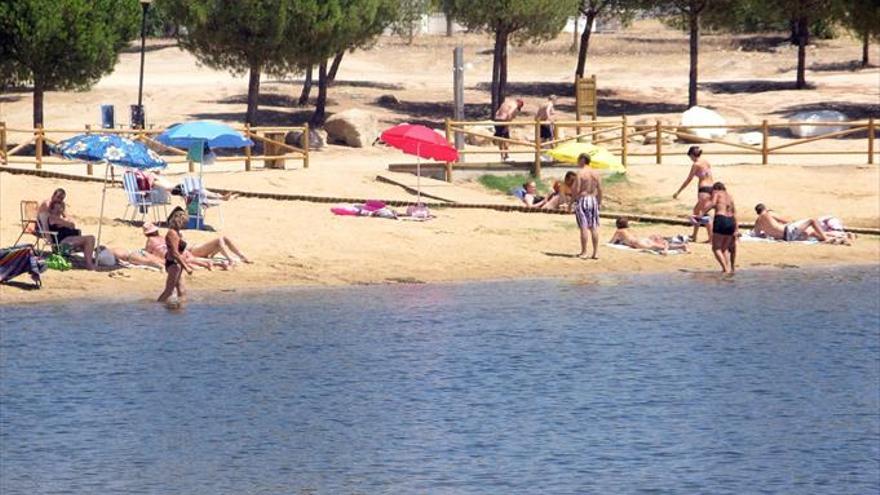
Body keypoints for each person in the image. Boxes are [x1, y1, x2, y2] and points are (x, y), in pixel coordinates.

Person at [40, 188, 96, 270]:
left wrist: (66, 221)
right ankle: (89, 264)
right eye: (58, 198)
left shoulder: (57, 218)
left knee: (89, 239)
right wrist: (66, 222)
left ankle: (88, 262)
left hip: (66, 239)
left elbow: (71, 223)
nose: (61, 209)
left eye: (62, 199)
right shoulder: (52, 218)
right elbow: (71, 225)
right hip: (63, 243)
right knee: (90, 239)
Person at [672, 146, 714, 243]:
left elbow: (689, 179)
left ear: (692, 155)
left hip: (704, 189)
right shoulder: (706, 162)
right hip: (711, 188)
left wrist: (678, 191)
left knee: (704, 213)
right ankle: (694, 235)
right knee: (697, 211)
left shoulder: (696, 165)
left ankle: (711, 238)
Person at [142, 222, 226, 270]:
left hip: (168, 253)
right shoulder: (163, 237)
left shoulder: (150, 241)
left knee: (185, 261)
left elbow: (147, 252)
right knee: (191, 259)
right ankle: (214, 263)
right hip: (180, 250)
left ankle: (206, 264)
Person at [752, 204, 847, 244]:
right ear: (765, 208)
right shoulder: (769, 213)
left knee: (809, 232)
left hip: (785, 237)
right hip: (787, 231)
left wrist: (768, 233)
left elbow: (757, 234)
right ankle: (826, 238)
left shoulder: (758, 222)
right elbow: (786, 221)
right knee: (812, 221)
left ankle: (837, 236)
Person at [569, 154, 603, 259]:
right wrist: (599, 202)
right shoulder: (596, 173)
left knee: (584, 226)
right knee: (593, 227)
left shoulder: (581, 173)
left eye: (579, 160)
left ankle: (584, 252)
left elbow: (576, 189)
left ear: (583, 160)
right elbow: (600, 189)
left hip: (583, 199)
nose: (578, 162)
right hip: (593, 200)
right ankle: (595, 253)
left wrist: (571, 203)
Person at [157, 208, 193, 305]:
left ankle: (180, 315)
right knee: (169, 291)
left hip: (178, 264)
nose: (186, 225)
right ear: (179, 221)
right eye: (184, 222)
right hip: (174, 264)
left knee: (182, 291)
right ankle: (155, 308)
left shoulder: (178, 233)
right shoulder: (172, 233)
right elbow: (175, 253)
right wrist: (186, 267)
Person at [703, 182, 738, 274]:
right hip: (731, 221)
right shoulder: (730, 196)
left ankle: (725, 269)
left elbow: (713, 203)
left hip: (721, 219)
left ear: (715, 189)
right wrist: (736, 229)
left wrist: (702, 213)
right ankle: (728, 269)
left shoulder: (717, 193)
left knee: (716, 248)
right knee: (724, 249)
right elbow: (734, 213)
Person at [609, 217, 690, 254]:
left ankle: (666, 247)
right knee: (656, 246)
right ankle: (681, 246)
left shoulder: (619, 231)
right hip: (643, 239)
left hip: (637, 242)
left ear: (617, 225)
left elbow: (611, 242)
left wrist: (618, 242)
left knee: (657, 247)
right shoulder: (630, 230)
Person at [494, 97, 524, 162]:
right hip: (503, 121)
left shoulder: (506, 103)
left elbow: (497, 112)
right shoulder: (514, 105)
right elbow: (509, 114)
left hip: (497, 119)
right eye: (519, 107)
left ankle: (502, 157)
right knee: (506, 139)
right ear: (519, 103)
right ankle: (507, 156)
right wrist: (507, 125)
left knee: (500, 139)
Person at [95, 245, 165, 271]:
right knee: (157, 259)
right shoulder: (115, 248)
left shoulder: (108, 252)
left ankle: (161, 266)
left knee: (147, 261)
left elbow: (110, 262)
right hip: (136, 251)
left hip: (130, 256)